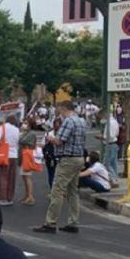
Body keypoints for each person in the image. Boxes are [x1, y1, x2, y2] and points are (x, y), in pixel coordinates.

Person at [33, 100, 87, 234]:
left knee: (57, 190)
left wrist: (50, 138)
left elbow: (60, 141)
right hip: (79, 157)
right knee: (73, 191)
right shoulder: (81, 121)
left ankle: (50, 222)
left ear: (64, 109)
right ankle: (73, 222)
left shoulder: (69, 121)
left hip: (67, 159)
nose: (59, 114)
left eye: (59, 111)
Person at [0, 114, 20, 205]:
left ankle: (3, 198)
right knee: (12, 178)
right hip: (14, 155)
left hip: (4, 154)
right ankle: (10, 198)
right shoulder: (16, 129)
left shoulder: (2, 128)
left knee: (3, 176)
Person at [18, 119, 39, 205]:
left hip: (27, 154)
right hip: (23, 154)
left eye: (26, 123)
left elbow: (21, 140)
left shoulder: (31, 133)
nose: (24, 125)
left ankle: (30, 196)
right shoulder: (27, 132)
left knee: (27, 176)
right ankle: (27, 195)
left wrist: (22, 132)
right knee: (24, 176)